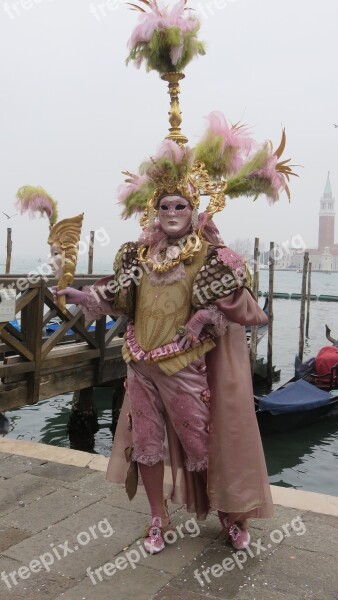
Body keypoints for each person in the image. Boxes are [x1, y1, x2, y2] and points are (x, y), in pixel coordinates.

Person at [55, 164, 273, 555]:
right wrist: (83, 296)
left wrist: (205, 316)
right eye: (165, 206)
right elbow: (115, 297)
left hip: (185, 366)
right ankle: (159, 516)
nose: (172, 213)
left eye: (180, 206)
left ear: (193, 210)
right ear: (155, 212)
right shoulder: (139, 255)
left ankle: (229, 515)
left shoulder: (210, 257)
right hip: (139, 363)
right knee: (146, 444)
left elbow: (239, 307)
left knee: (204, 445)